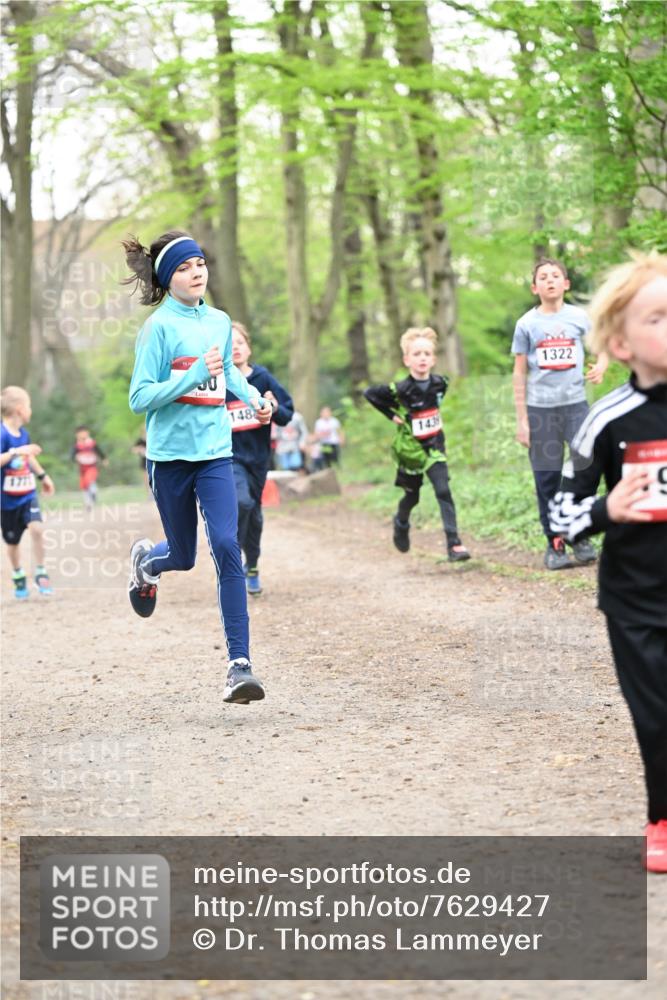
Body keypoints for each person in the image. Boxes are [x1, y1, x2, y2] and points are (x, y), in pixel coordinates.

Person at [549, 251, 667, 873]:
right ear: (620, 343)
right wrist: (606, 509)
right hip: (636, 600)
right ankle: (661, 818)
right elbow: (559, 520)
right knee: (656, 713)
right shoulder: (606, 420)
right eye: (659, 317)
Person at [123, 230, 272, 705]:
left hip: (214, 453)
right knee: (184, 556)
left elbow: (226, 372)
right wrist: (188, 376)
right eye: (185, 267)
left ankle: (239, 666)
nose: (197, 272)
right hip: (168, 459)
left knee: (227, 545)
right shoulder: (159, 328)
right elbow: (139, 397)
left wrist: (253, 398)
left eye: (201, 263)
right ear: (169, 278)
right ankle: (148, 562)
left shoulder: (220, 321)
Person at [512, 258, 608, 569]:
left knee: (585, 470)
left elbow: (602, 346)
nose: (550, 280)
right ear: (534, 287)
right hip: (541, 411)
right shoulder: (526, 324)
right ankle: (555, 543)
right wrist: (522, 419)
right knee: (547, 476)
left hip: (576, 407)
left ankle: (578, 533)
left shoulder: (579, 318)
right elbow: (519, 373)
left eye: (556, 276)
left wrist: (602, 366)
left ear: (566, 284)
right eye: (543, 277)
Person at [364, 326, 470, 562]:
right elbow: (369, 393)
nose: (422, 358)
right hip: (409, 450)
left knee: (443, 490)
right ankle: (401, 522)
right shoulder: (398, 389)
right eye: (416, 354)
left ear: (433, 359)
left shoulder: (441, 383)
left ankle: (454, 544)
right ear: (406, 359)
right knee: (412, 497)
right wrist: (391, 415)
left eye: (426, 354)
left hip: (434, 446)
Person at [228, 321, 294, 595]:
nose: (235, 350)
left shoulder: (263, 378)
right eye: (228, 346)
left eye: (240, 344)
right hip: (229, 458)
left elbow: (286, 413)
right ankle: (231, 557)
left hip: (259, 460)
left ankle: (251, 566)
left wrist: (273, 405)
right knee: (241, 503)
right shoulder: (217, 383)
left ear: (249, 347)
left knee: (255, 514)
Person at [1, 386, 55, 598]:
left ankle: (41, 572)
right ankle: (18, 574)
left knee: (37, 530)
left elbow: (28, 457)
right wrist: (16, 451)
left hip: (27, 495)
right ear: (19, 409)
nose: (30, 410)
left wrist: (43, 476)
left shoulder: (24, 434)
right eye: (29, 406)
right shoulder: (2, 434)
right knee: (12, 543)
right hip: (6, 502)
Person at [71, 425, 106, 513]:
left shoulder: (92, 443)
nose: (82, 435)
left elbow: (99, 451)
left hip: (92, 467)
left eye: (84, 433)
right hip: (82, 468)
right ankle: (88, 503)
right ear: (77, 435)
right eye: (80, 433)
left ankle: (94, 492)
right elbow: (72, 456)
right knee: (84, 485)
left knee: (90, 480)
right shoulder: (77, 446)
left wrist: (104, 459)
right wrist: (76, 457)